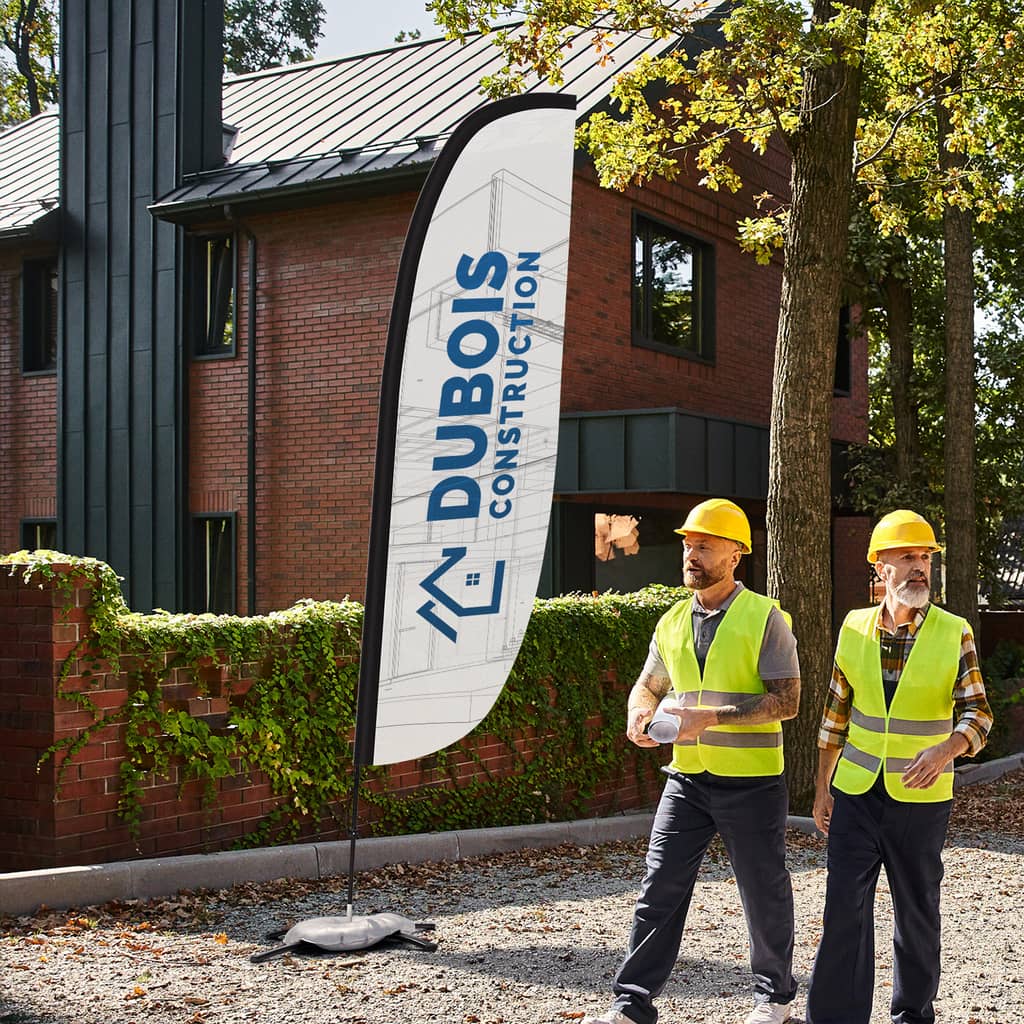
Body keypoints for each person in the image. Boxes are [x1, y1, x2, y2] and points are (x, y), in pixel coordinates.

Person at [583, 498, 801, 1024]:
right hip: (686, 779)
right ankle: (631, 1003)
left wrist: (714, 717)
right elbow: (649, 685)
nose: (691, 554)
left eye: (703, 546)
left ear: (735, 556)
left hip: (750, 783)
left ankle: (774, 998)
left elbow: (788, 700)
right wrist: (638, 716)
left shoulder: (765, 618)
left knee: (763, 890)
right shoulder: (672, 620)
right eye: (687, 545)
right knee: (659, 888)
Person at [805, 509, 993, 1024]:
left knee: (916, 915)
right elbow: (834, 712)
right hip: (856, 794)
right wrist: (822, 786)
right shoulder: (854, 626)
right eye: (908, 556)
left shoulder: (956, 632)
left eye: (926, 558)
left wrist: (945, 751)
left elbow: (978, 713)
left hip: (921, 800)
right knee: (843, 910)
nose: (920, 567)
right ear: (880, 565)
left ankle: (912, 1015)